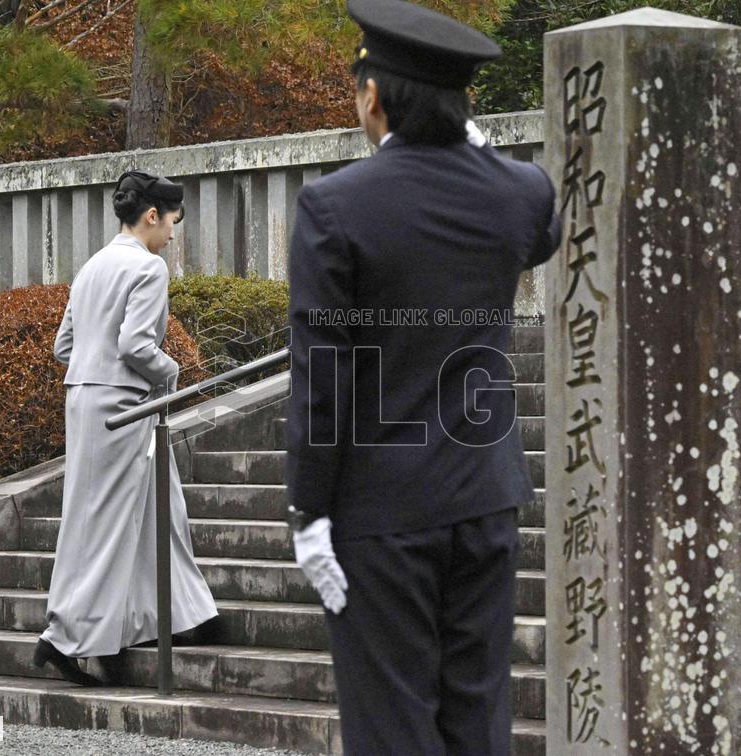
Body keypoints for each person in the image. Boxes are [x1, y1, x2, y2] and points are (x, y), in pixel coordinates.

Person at [284, 0, 562, 752]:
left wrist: (309, 512)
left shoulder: (335, 206)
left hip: (381, 509)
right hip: (485, 494)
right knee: (478, 719)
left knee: (392, 725)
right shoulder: (518, 192)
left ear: (373, 96)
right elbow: (543, 226)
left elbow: (322, 375)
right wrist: (474, 142)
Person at [33, 170, 218, 686]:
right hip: (125, 406)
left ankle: (177, 614)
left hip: (86, 399)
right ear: (152, 216)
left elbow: (63, 347)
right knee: (106, 522)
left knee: (156, 506)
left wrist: (97, 370)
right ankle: (63, 636)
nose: (174, 234)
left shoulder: (92, 265)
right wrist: (172, 371)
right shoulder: (148, 267)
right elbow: (136, 345)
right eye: (172, 222)